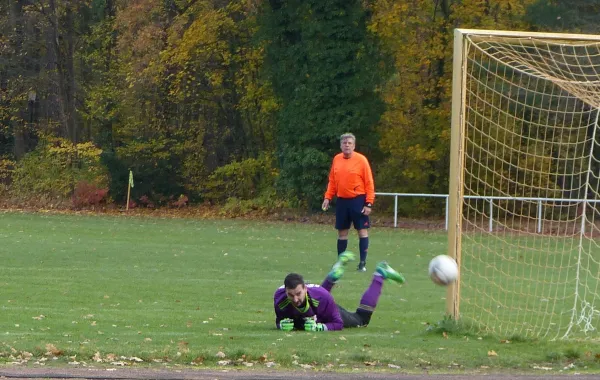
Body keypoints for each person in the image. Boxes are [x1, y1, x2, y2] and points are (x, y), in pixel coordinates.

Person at [273, 252, 405, 332]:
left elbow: (338, 323)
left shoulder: (322, 298)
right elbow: (280, 319)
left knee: (361, 321)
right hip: (318, 299)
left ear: (305, 289)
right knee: (319, 298)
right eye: (291, 295)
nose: (295, 299)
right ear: (285, 291)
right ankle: (333, 275)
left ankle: (379, 274)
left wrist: (321, 327)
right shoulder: (279, 299)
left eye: (298, 294)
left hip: (323, 306)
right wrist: (281, 325)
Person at [322, 133, 375, 272]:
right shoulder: (337, 159)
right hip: (342, 201)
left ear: (354, 145)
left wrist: (369, 203)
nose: (347, 145)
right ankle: (340, 263)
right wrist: (328, 197)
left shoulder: (361, 160)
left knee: (362, 231)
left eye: (349, 143)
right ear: (341, 145)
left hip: (358, 200)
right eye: (344, 143)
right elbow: (332, 181)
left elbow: (369, 182)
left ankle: (362, 263)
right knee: (342, 232)